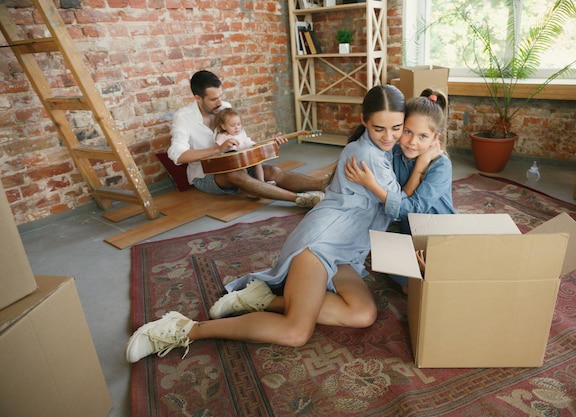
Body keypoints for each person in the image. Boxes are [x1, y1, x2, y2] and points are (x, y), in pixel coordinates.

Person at [126, 84, 406, 363]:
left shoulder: (385, 150)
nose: (388, 136)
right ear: (364, 121)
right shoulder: (367, 154)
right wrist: (426, 160)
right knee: (296, 332)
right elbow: (403, 208)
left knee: (362, 314)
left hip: (346, 250)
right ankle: (185, 329)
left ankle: (261, 299)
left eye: (396, 127)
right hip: (320, 246)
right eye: (379, 128)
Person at [345, 89, 455, 293]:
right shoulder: (395, 153)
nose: (412, 142)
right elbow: (397, 202)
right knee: (399, 276)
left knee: (418, 286)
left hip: (436, 231)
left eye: (423, 136)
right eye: (408, 132)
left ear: (434, 138)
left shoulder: (441, 166)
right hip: (406, 227)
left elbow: (413, 208)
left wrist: (372, 185)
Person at [167, 70, 327, 208]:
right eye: (213, 99)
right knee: (235, 175)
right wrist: (217, 149)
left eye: (220, 96)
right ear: (198, 98)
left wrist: (269, 144)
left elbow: (243, 140)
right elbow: (178, 155)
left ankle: (325, 184)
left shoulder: (225, 109)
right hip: (204, 175)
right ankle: (299, 199)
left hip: (237, 163)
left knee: (273, 171)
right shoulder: (183, 117)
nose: (220, 102)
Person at [214, 107, 266, 184]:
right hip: (234, 163)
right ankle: (250, 186)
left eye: (239, 124)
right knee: (242, 171)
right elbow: (217, 149)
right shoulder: (222, 136)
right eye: (232, 125)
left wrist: (254, 146)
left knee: (258, 162)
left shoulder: (241, 134)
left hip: (246, 159)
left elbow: (248, 142)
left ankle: (262, 182)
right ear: (224, 126)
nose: (237, 127)